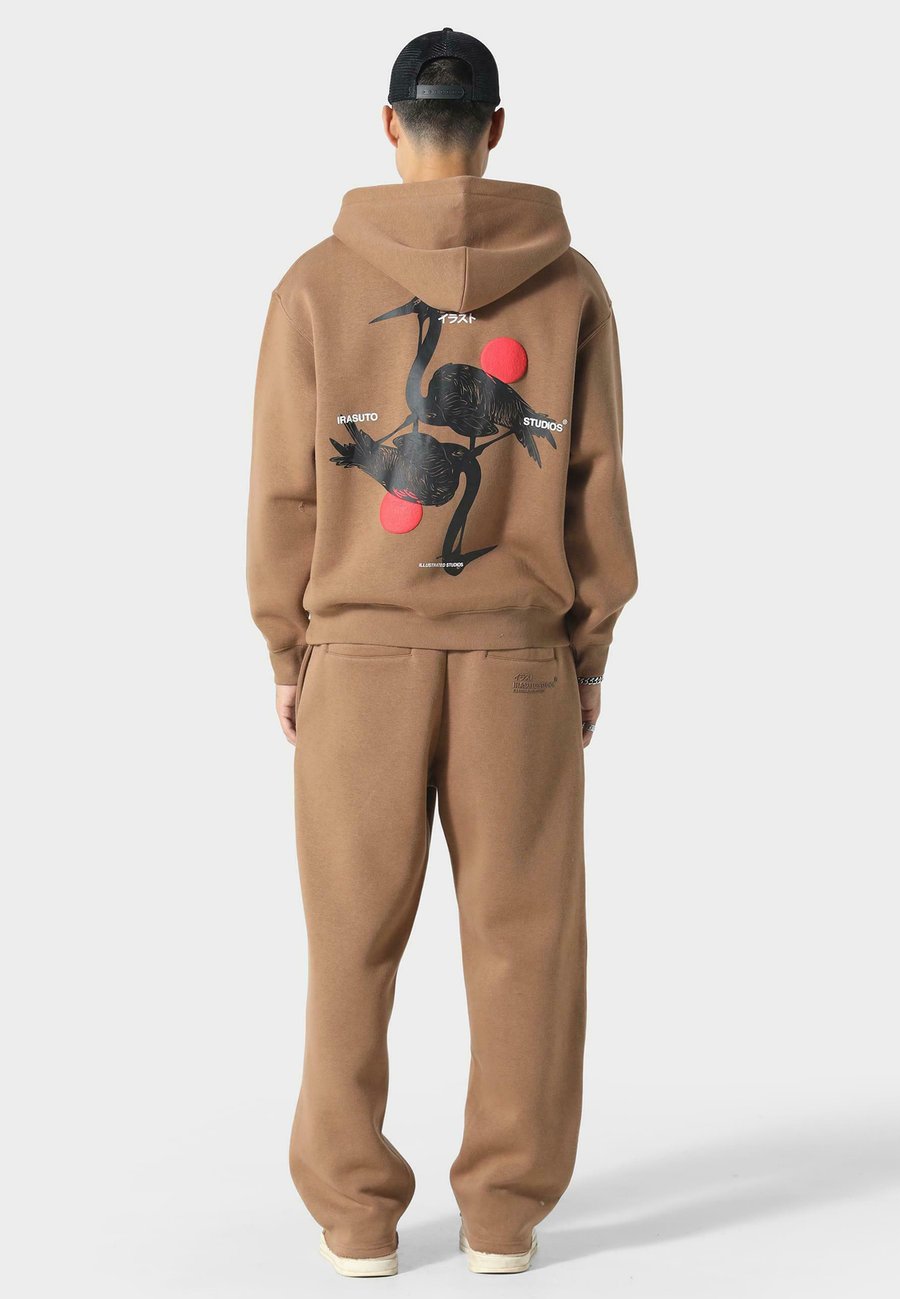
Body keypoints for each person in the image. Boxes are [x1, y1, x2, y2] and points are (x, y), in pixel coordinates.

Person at [247, 26, 637, 1278]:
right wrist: (587, 654)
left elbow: (285, 491)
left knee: (349, 940)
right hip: (519, 662)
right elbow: (593, 487)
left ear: (389, 125)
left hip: (357, 662)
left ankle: (355, 1218)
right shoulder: (572, 288)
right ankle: (504, 1217)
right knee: (525, 940)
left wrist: (287, 648)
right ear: (497, 129)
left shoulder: (313, 286)